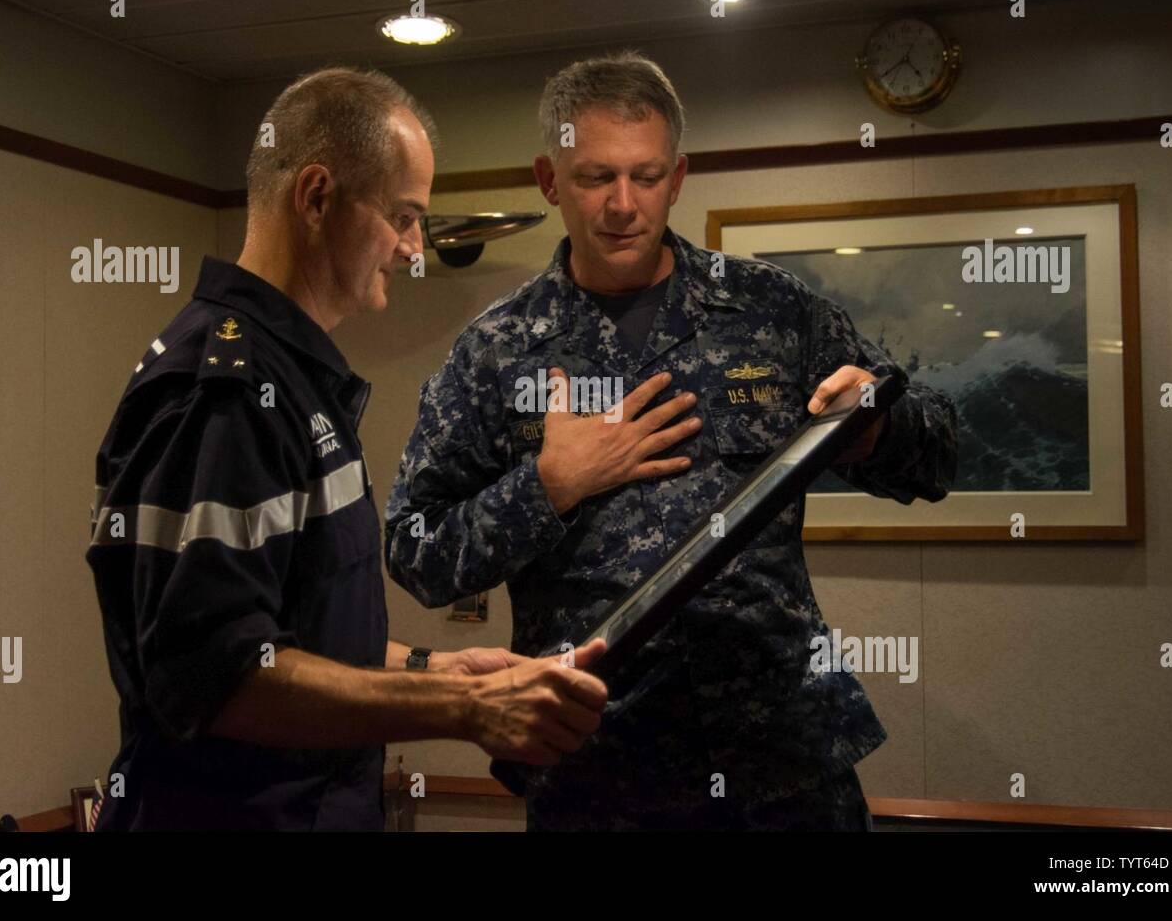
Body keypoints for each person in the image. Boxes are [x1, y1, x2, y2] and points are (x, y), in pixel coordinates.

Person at [385, 53, 957, 830]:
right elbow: (415, 550)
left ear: (678, 177)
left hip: (781, 762)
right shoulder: (498, 350)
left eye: (645, 177)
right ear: (550, 181)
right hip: (597, 769)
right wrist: (547, 487)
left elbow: (938, 455)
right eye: (594, 178)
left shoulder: (769, 309)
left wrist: (876, 427)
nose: (623, 204)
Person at [85, 67, 607, 831]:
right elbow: (216, 676)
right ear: (318, 195)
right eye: (402, 216)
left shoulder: (293, 378)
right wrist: (463, 707)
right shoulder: (228, 387)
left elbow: (294, 634)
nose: (414, 247)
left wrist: (437, 667)